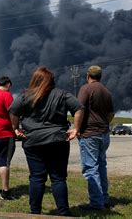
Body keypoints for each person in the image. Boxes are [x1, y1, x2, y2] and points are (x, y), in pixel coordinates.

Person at [9, 67, 84, 216]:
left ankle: (35, 212)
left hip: (33, 141)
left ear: (34, 80)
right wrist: (76, 128)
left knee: (37, 178)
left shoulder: (24, 96)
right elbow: (79, 108)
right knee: (58, 178)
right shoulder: (62, 94)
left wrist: (15, 129)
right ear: (52, 81)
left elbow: (13, 111)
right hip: (57, 140)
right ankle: (63, 212)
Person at [77, 65, 114, 211]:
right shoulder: (106, 91)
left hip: (90, 134)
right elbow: (111, 114)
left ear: (88, 76)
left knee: (90, 168)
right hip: (104, 134)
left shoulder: (85, 89)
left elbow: (79, 109)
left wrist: (77, 129)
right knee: (101, 166)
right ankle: (104, 198)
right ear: (100, 76)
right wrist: (103, 124)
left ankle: (97, 204)